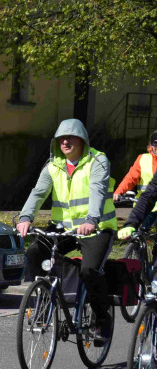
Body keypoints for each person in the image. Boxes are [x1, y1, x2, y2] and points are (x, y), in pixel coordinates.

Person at [16, 118, 118, 343]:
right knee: (34, 252)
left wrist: (92, 219)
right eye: (61, 138)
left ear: (82, 140)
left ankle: (102, 319)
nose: (65, 141)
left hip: (97, 228)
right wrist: (25, 217)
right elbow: (38, 192)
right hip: (65, 228)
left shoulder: (97, 160)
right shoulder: (53, 165)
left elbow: (98, 191)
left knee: (89, 270)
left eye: (71, 137)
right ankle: (42, 307)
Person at [113, 130, 157, 230]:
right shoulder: (142, 159)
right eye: (156, 143)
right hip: (144, 207)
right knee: (139, 236)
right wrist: (119, 191)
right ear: (151, 145)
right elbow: (131, 178)